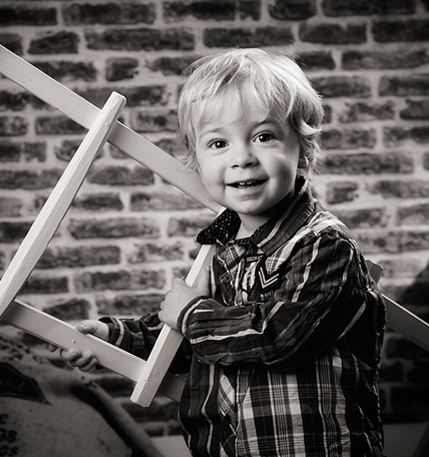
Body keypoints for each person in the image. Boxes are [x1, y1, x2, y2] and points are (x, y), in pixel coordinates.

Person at [51, 48, 386, 457]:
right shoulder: (222, 249)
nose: (242, 158)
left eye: (264, 136)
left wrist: (191, 313)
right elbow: (200, 338)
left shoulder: (322, 245)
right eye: (218, 143)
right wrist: (114, 338)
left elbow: (279, 337)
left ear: (304, 148)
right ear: (196, 158)